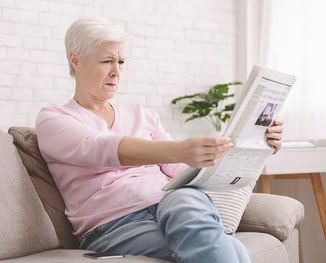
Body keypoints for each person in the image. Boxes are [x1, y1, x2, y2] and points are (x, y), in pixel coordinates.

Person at [35, 17, 283, 263]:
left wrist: (255, 144)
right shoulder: (54, 119)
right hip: (115, 225)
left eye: (121, 62)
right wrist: (179, 150)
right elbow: (101, 147)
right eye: (107, 61)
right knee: (227, 248)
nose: (116, 72)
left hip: (173, 204)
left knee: (188, 204)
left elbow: (181, 170)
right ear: (76, 60)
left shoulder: (141, 115)